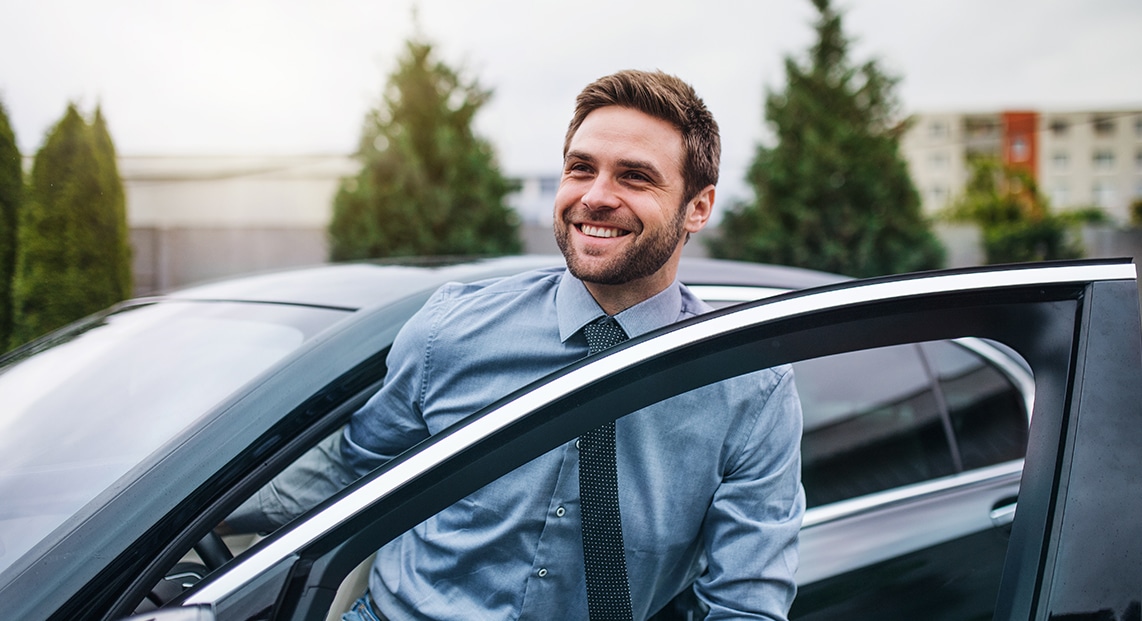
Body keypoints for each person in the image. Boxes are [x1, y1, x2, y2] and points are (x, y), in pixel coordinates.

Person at [226, 69, 804, 620]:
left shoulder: (748, 390)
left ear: (697, 207)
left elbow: (744, 605)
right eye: (581, 168)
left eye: (634, 176)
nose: (596, 197)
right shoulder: (450, 330)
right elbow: (349, 470)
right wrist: (169, 524)